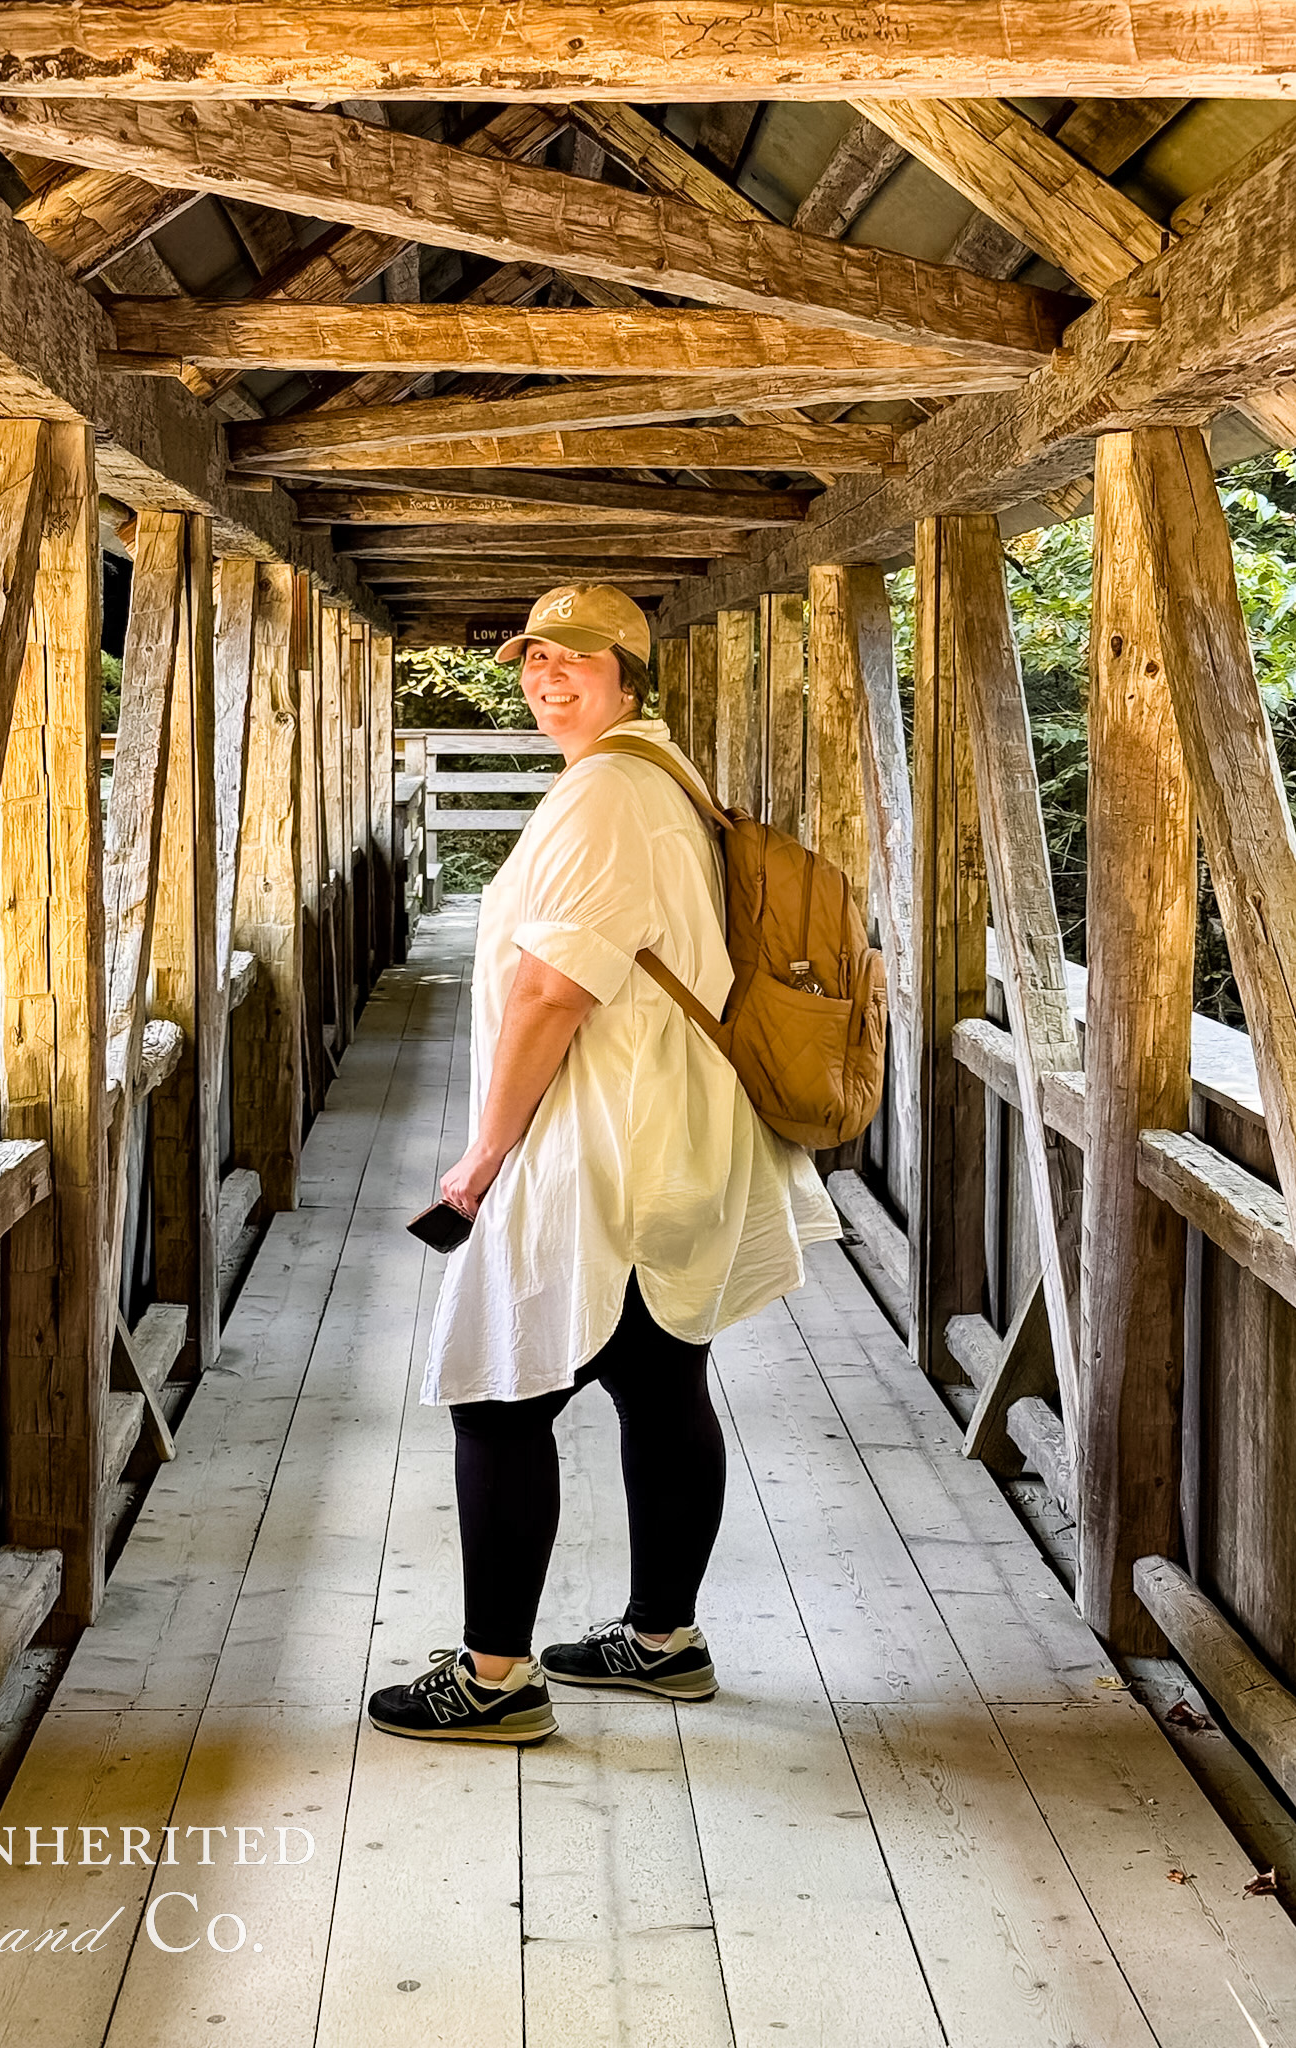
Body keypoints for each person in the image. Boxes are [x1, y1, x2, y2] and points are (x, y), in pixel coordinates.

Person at [368, 583, 841, 1744]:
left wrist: (483, 1153)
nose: (546, 677)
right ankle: (661, 1639)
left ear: (633, 672)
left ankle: (493, 1677)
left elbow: (550, 989)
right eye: (535, 659)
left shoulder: (608, 794)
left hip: (603, 1145)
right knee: (657, 1378)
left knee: (494, 1393)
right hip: (680, 1133)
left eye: (576, 659)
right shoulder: (657, 779)